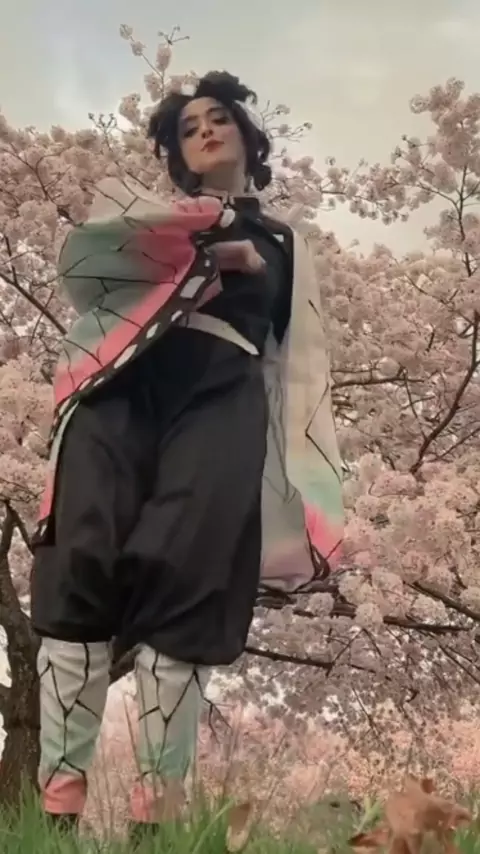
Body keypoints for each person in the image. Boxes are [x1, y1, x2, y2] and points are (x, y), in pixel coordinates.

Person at [30, 71, 343, 838]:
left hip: (222, 395)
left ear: (246, 134)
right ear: (175, 151)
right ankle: (56, 816)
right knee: (81, 561)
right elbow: (87, 275)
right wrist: (202, 258)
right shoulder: (146, 218)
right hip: (120, 389)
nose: (204, 130)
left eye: (217, 119)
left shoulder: (285, 242)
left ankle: (155, 822)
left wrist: (299, 477)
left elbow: (298, 362)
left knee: (186, 576)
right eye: (188, 126)